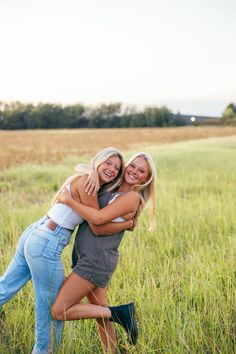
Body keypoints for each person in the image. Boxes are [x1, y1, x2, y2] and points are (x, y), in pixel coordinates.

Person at [0, 147, 134, 354]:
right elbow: (97, 222)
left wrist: (90, 170)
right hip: (48, 240)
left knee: (5, 287)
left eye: (117, 168)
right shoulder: (89, 184)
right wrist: (127, 223)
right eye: (108, 163)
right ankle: (44, 351)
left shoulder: (87, 177)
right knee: (50, 308)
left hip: (37, 231)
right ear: (98, 161)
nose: (112, 169)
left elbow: (84, 168)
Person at [52, 152, 157, 353]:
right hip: (88, 258)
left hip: (96, 262)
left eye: (141, 170)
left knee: (59, 310)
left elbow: (98, 224)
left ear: (146, 178)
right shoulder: (111, 187)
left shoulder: (132, 197)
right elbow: (80, 167)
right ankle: (111, 348)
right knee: (102, 315)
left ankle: (119, 313)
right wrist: (91, 170)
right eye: (132, 166)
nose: (134, 171)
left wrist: (69, 201)